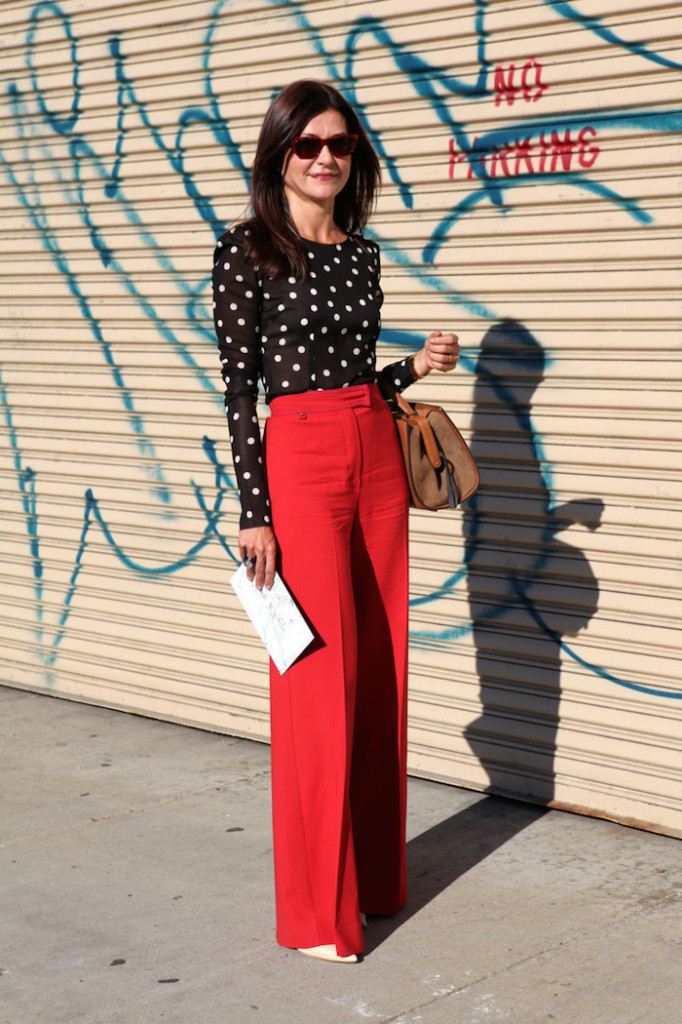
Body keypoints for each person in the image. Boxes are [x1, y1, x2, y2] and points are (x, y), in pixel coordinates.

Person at [212, 79, 460, 963]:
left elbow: (357, 374)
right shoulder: (246, 251)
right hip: (301, 459)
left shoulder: (362, 255)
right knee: (316, 678)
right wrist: (255, 513)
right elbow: (243, 391)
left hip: (374, 449)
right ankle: (317, 915)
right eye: (309, 143)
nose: (325, 157)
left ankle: (376, 885)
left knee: (381, 666)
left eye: (341, 144)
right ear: (279, 151)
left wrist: (413, 370)